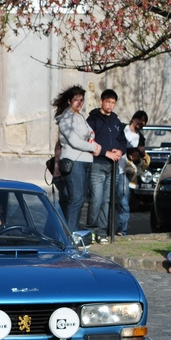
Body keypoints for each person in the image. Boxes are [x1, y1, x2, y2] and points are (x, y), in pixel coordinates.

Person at [53, 85, 101, 231]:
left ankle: (67, 231)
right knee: (76, 199)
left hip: (86, 160)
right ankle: (70, 234)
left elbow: (90, 133)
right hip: (74, 161)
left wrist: (91, 142)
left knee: (76, 200)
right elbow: (74, 141)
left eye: (81, 100)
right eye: (76, 100)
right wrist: (93, 147)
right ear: (69, 101)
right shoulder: (66, 119)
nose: (79, 103)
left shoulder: (79, 117)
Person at [85, 89, 125, 242]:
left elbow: (122, 141)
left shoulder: (116, 121)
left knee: (108, 199)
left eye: (113, 103)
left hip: (113, 166)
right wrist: (105, 153)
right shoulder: (92, 120)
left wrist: (120, 151)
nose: (110, 105)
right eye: (108, 102)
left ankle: (102, 231)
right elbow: (89, 141)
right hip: (97, 164)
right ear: (101, 101)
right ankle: (91, 230)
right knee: (97, 198)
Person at [113, 110, 148, 236]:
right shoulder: (122, 128)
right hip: (111, 167)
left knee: (123, 201)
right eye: (140, 119)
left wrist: (138, 156)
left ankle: (122, 230)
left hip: (124, 171)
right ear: (133, 119)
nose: (142, 123)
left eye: (144, 122)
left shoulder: (141, 138)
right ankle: (104, 229)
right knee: (106, 201)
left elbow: (141, 159)